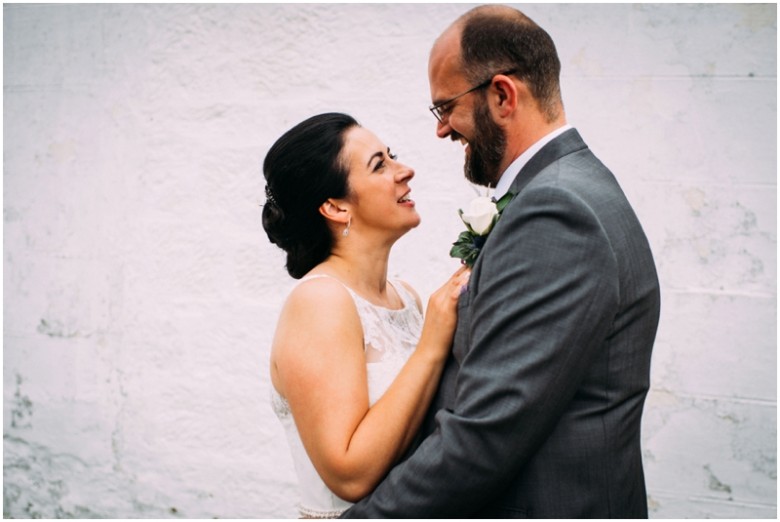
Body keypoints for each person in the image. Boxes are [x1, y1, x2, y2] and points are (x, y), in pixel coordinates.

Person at [341, 5, 661, 518]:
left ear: (502, 95)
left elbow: (485, 434)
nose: (442, 130)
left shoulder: (555, 211)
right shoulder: (573, 185)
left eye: (445, 107)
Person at [264, 112, 469, 518]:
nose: (405, 170)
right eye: (380, 164)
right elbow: (350, 476)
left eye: (393, 156)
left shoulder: (407, 298)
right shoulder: (320, 301)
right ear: (335, 207)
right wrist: (431, 345)